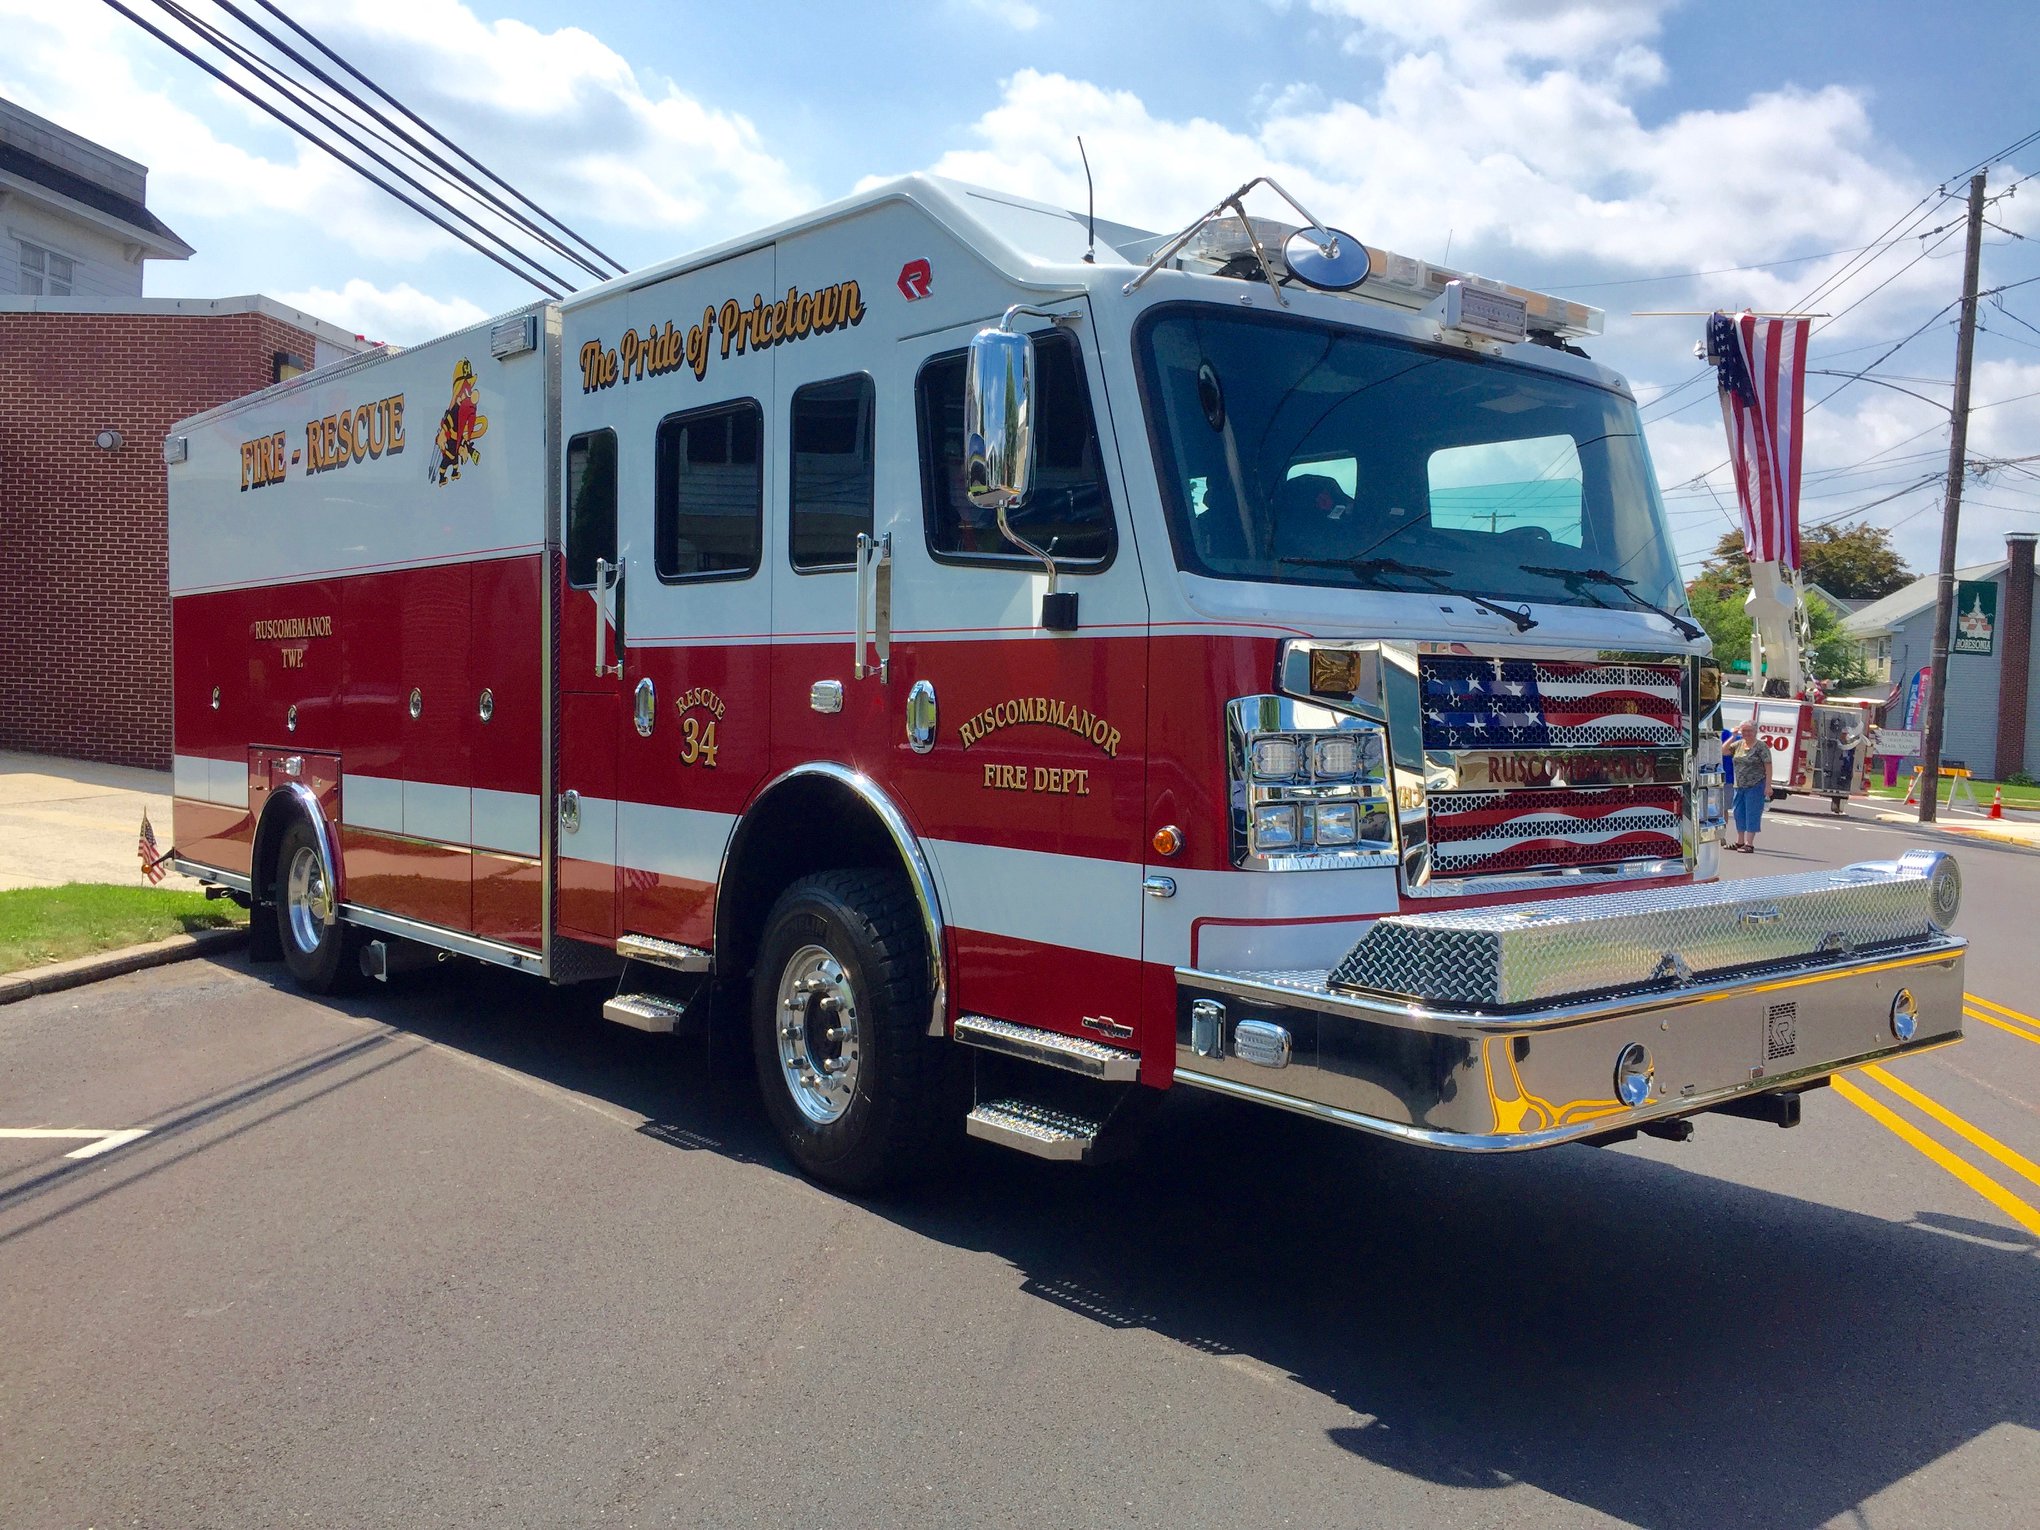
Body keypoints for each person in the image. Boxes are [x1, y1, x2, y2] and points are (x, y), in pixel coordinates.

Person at [1727, 719, 1772, 853]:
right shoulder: (1738, 744)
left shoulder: (1761, 747)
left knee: (1752, 813)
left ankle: (1749, 843)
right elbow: (1723, 751)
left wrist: (1768, 786)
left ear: (1755, 731)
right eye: (1744, 731)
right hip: (1739, 785)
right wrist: (1733, 736)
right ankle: (1739, 841)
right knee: (1738, 813)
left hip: (1756, 784)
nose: (1746, 733)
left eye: (1749, 731)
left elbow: (1768, 766)